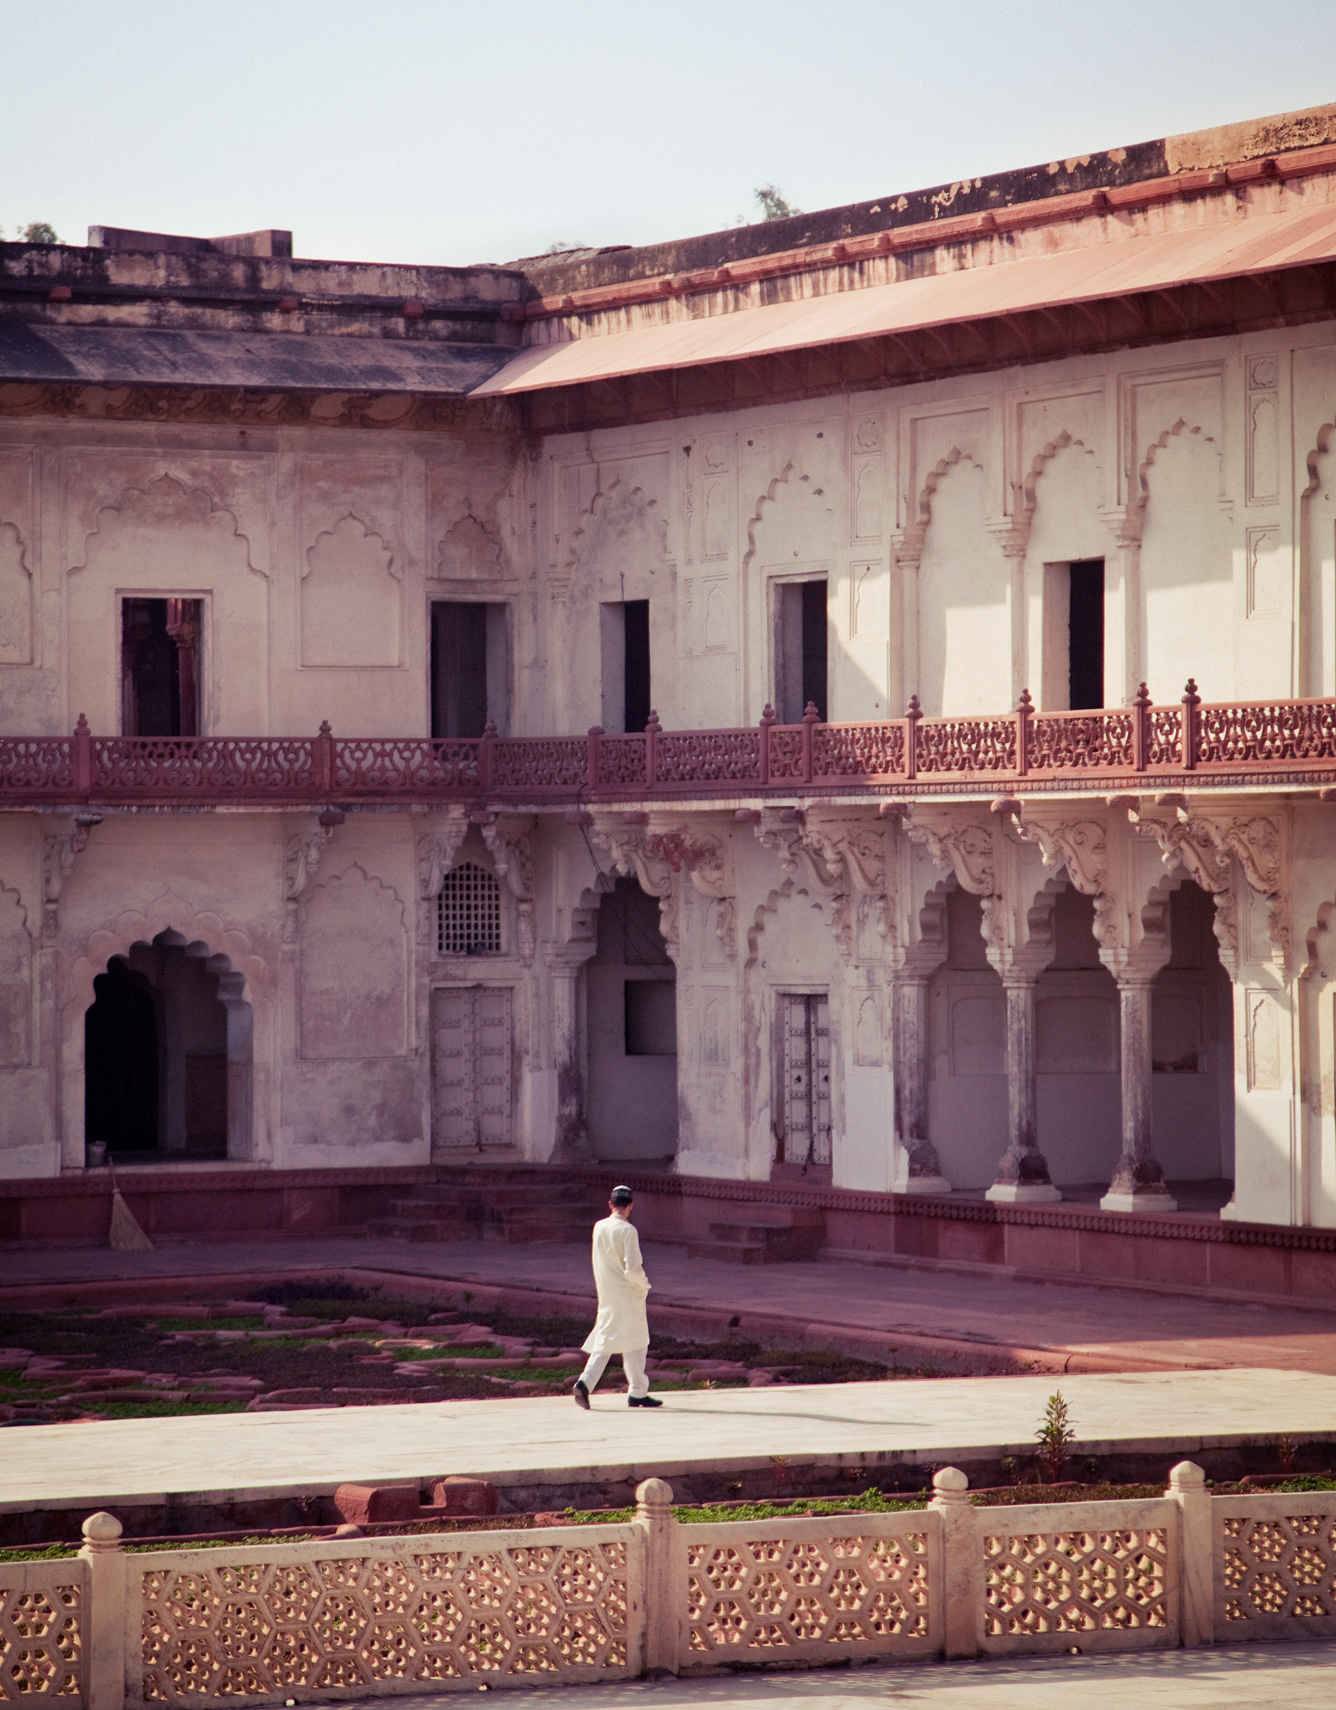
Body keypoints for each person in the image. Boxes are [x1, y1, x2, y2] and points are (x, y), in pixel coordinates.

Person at [573, 1185, 662, 1408]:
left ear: (610, 1204)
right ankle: (633, 1390)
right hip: (628, 1293)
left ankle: (592, 1384)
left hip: (607, 1291)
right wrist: (644, 1284)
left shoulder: (599, 1226)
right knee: (637, 1340)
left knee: (610, 1339)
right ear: (630, 1206)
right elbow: (632, 1267)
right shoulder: (628, 1230)